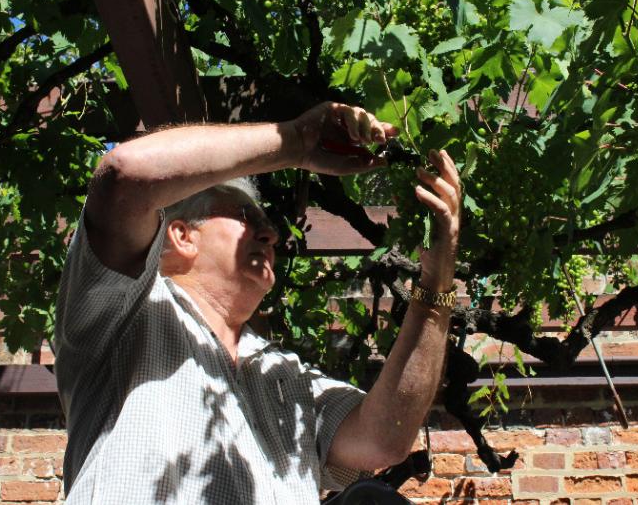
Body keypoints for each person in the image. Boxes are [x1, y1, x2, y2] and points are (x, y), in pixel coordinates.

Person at [53, 102, 461, 504]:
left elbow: (383, 439)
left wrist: (437, 281)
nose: (270, 232)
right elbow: (125, 175)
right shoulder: (124, 315)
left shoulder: (287, 378)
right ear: (181, 235)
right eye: (245, 215)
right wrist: (296, 142)